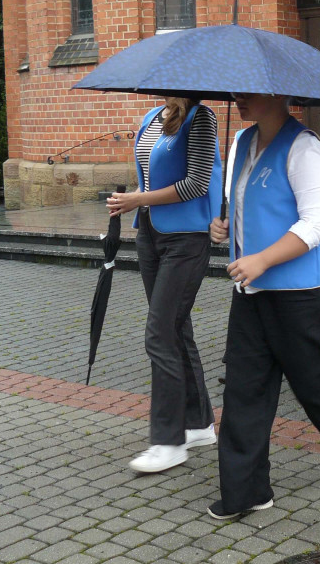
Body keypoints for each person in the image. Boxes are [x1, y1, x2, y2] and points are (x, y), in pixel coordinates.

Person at [208, 93, 320, 519]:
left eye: (248, 94)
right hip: (251, 290)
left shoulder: (304, 145)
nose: (239, 101)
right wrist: (224, 226)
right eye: (237, 93)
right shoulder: (241, 142)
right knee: (244, 389)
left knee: (315, 387)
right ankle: (247, 490)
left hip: (300, 292)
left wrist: (262, 258)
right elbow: (250, 205)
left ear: (278, 96)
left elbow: (316, 224)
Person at [107, 98, 222, 473]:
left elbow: (195, 184)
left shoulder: (200, 117)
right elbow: (148, 170)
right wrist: (135, 202)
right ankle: (199, 424)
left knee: (159, 334)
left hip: (186, 238)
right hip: (151, 235)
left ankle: (168, 441)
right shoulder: (151, 116)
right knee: (176, 329)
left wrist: (138, 199)